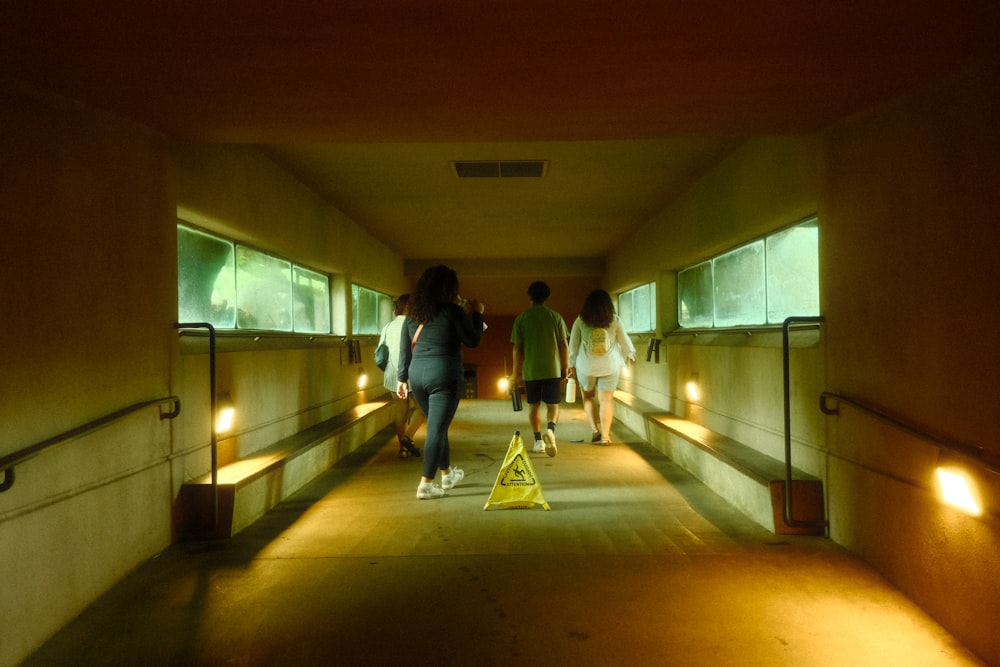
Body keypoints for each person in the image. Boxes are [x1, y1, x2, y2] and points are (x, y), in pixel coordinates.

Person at [397, 265, 485, 499]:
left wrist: (401, 379)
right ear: (449, 289)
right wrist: (477, 313)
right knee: (436, 428)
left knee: (438, 426)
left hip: (417, 376)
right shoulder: (453, 312)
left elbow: (404, 350)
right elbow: (473, 340)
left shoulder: (413, 316)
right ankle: (425, 484)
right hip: (444, 375)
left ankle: (446, 475)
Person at [567, 289, 637, 445]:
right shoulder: (615, 320)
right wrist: (631, 353)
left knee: (588, 397)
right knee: (606, 400)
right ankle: (605, 436)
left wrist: (570, 365)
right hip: (610, 365)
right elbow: (624, 341)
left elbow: (573, 345)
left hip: (586, 366)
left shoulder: (581, 320)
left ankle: (595, 430)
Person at [511, 281, 569, 457]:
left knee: (534, 406)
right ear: (547, 296)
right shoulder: (555, 317)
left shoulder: (522, 318)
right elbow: (563, 344)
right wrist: (565, 367)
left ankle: (538, 441)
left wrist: (515, 373)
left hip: (531, 370)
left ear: (530, 297)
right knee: (553, 405)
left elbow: (517, 349)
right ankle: (550, 430)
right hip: (552, 368)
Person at [377, 294, 425, 458]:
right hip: (412, 374)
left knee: (401, 410)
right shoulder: (416, 325)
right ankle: (408, 437)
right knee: (424, 408)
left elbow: (381, 352)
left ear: (395, 309)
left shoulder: (387, 327)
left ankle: (402, 449)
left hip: (392, 376)